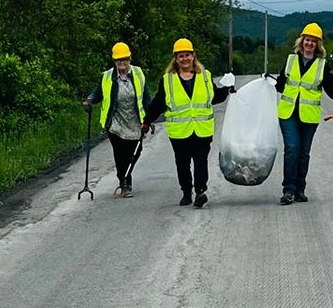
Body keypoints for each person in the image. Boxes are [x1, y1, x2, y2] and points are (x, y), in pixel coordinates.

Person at [273, 23, 333, 205]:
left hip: (309, 116)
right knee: (292, 148)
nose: (309, 44)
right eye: (307, 40)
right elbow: (280, 85)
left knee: (304, 153)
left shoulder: (321, 66)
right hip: (288, 114)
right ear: (301, 41)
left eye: (313, 41)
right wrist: (274, 82)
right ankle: (288, 190)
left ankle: (300, 190)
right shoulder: (290, 60)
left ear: (318, 45)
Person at [143, 38, 233, 207]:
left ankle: (200, 191)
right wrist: (146, 121)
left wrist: (227, 90)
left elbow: (214, 97)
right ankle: (186, 192)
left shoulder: (205, 76)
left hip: (201, 129)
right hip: (179, 131)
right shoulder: (167, 80)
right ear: (176, 59)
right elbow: (158, 103)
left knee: (201, 161)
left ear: (193, 56)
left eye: (187, 55)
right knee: (182, 164)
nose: (184, 59)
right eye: (181, 56)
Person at [83, 42, 152, 198]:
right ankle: (124, 182)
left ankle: (126, 178)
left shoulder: (138, 73)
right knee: (120, 153)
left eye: (125, 59)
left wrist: (150, 116)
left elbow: (146, 96)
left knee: (135, 152)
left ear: (129, 59)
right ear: (114, 61)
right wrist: (89, 100)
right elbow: (98, 92)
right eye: (119, 60)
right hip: (115, 122)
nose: (122, 63)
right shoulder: (107, 76)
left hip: (134, 120)